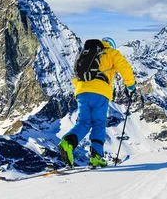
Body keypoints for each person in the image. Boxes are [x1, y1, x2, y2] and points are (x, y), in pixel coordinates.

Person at [58, 37, 136, 167]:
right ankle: (96, 157)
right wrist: (131, 85)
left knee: (83, 122)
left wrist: (81, 91)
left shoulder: (88, 53)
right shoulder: (111, 52)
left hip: (81, 91)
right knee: (99, 123)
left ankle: (67, 143)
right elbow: (124, 67)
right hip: (100, 92)